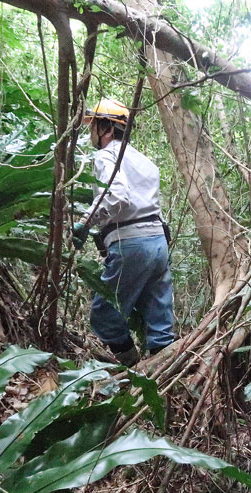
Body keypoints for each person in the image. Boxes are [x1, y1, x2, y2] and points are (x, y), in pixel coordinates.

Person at [72, 99, 174, 367]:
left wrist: (85, 222)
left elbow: (117, 197)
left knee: (105, 315)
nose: (91, 131)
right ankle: (167, 376)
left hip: (132, 244)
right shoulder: (144, 160)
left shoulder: (106, 156)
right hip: (158, 243)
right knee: (160, 319)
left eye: (93, 125)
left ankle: (132, 369)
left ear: (105, 128)